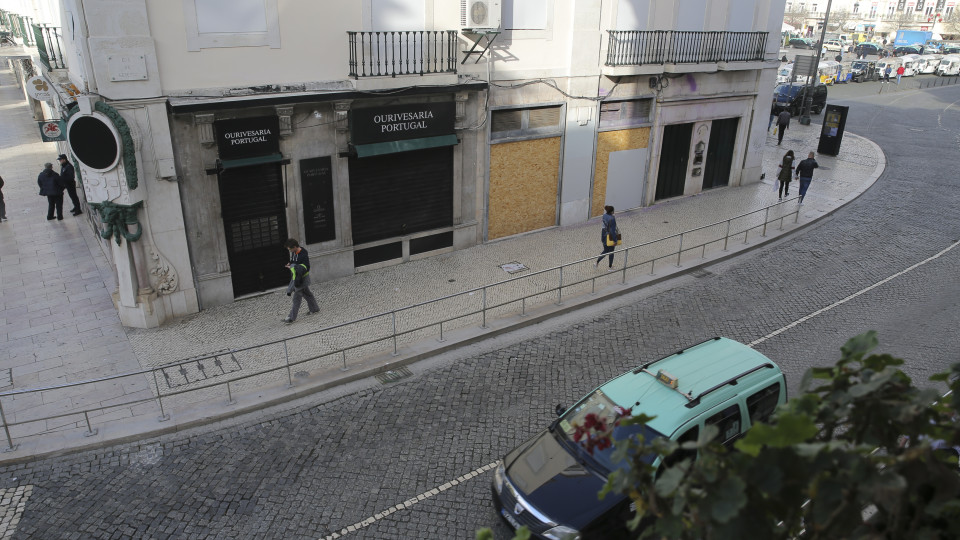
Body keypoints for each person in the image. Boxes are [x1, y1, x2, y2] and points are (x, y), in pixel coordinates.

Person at [282, 238, 320, 323]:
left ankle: (291, 317)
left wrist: (293, 267)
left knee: (297, 298)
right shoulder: (294, 252)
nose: (289, 250)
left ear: (295, 247)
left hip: (301, 280)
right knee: (307, 294)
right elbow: (293, 261)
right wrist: (290, 263)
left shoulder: (303, 254)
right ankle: (314, 308)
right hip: (297, 278)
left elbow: (306, 267)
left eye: (290, 249)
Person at [595, 205, 619, 271]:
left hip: (603, 235)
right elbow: (612, 231)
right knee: (611, 252)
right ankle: (610, 267)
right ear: (612, 211)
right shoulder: (612, 219)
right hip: (610, 237)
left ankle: (597, 262)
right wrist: (615, 240)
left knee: (605, 250)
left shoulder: (604, 215)